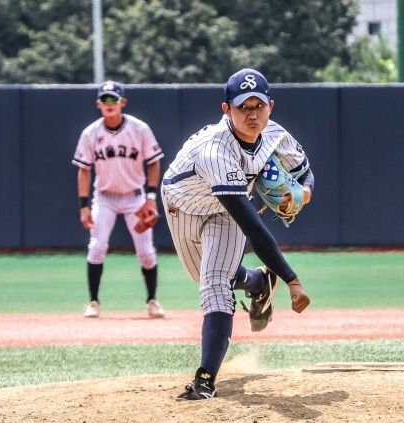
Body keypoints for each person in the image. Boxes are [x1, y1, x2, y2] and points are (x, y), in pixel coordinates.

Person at [161, 68, 314, 400]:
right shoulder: (216, 149)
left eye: (259, 105)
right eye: (244, 106)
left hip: (228, 210)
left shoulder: (274, 134)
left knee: (215, 287)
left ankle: (204, 380)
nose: (252, 114)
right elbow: (254, 229)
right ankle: (261, 281)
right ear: (226, 109)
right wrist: (291, 278)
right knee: (208, 279)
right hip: (183, 205)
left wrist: (306, 192)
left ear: (270, 106)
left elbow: (304, 172)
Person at [72, 80, 166, 319]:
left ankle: (152, 301)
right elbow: (83, 170)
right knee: (97, 248)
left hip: (136, 197)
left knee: (146, 252)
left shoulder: (140, 129)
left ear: (122, 102)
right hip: (104, 197)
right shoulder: (90, 133)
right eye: (105, 100)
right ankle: (93, 302)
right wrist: (84, 207)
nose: (109, 104)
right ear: (98, 104)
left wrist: (152, 197)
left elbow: (154, 162)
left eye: (113, 99)